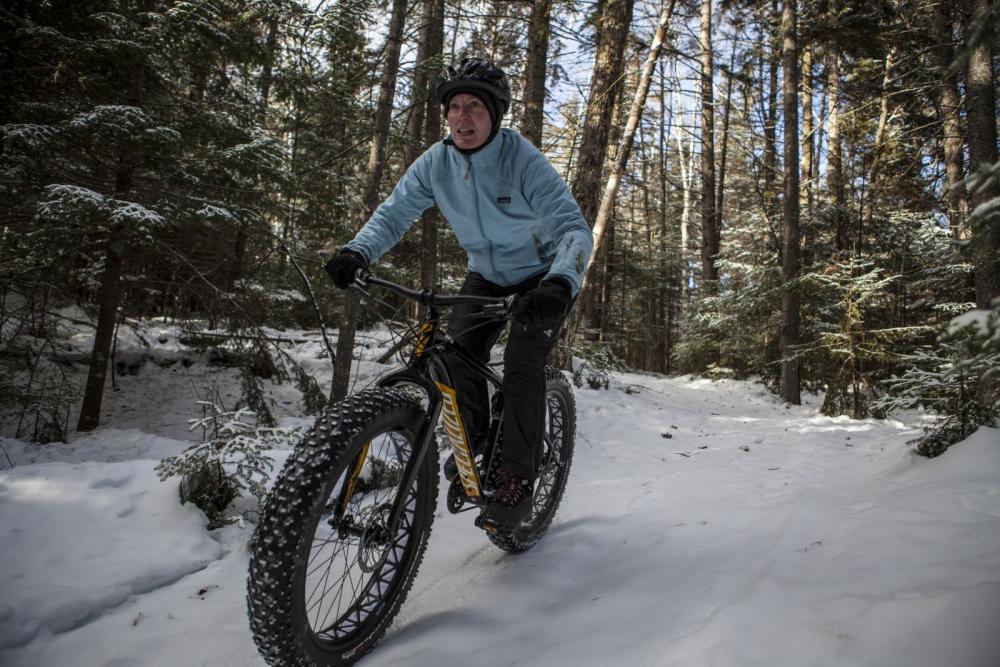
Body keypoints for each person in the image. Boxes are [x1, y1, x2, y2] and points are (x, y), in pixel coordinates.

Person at [325, 57, 592, 525]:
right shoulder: (437, 162)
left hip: (542, 277)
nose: (462, 117)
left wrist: (560, 282)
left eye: (474, 107)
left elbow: (572, 226)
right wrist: (358, 252)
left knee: (521, 365)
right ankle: (478, 445)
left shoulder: (521, 160)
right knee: (454, 358)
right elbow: (394, 213)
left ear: (495, 115)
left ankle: (515, 477)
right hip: (486, 275)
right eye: (454, 107)